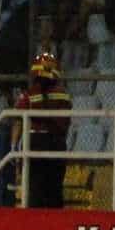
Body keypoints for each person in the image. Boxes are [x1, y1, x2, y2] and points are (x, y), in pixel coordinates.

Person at [12, 50, 72, 209]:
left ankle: (36, 226)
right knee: (55, 190)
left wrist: (13, 146)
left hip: (35, 142)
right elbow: (66, 121)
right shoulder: (64, 94)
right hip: (58, 142)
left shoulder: (29, 94)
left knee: (35, 191)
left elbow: (18, 121)